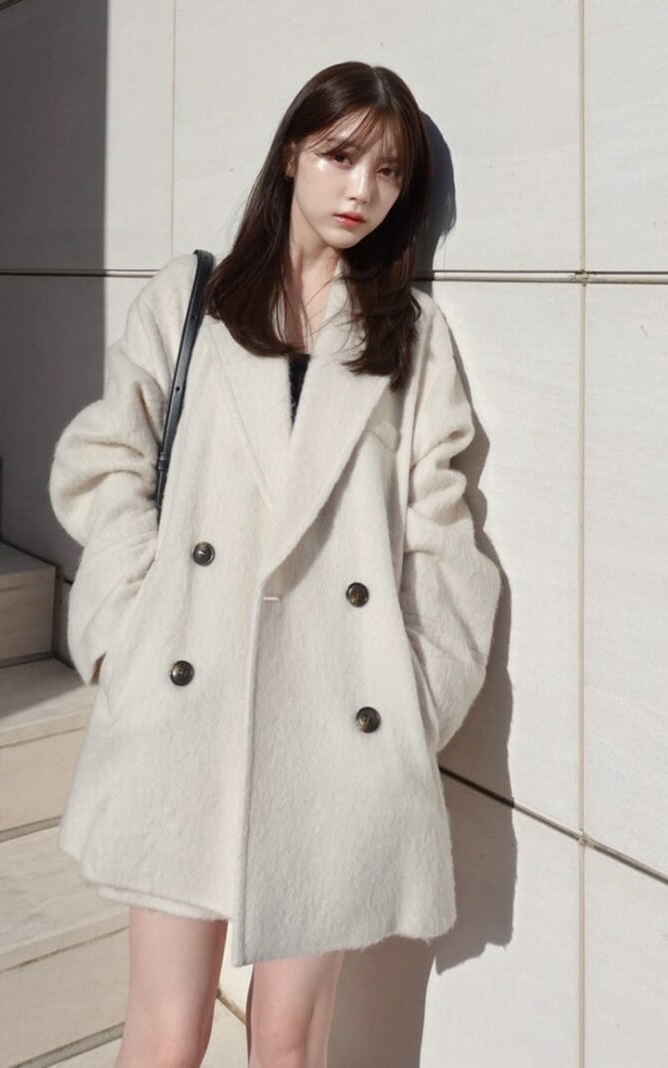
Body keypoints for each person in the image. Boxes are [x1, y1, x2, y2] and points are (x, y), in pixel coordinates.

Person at [48, 60, 501, 1068]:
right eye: (341, 155)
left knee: (288, 1045)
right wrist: (124, 638)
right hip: (184, 706)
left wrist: (411, 703)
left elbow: (442, 533)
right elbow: (108, 462)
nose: (361, 190)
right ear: (292, 152)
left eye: (389, 171)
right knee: (165, 1036)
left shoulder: (409, 337)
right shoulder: (193, 299)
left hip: (332, 737)